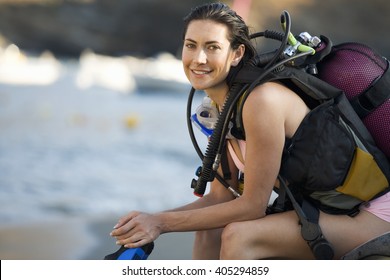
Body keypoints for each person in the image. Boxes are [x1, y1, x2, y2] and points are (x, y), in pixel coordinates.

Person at [110, 2, 390, 259]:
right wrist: (148, 219)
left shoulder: (261, 101)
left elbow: (252, 206)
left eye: (212, 47)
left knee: (239, 235)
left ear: (237, 53)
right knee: (209, 226)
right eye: (191, 45)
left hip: (372, 216)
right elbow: (221, 197)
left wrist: (160, 224)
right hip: (332, 209)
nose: (199, 59)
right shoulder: (221, 107)